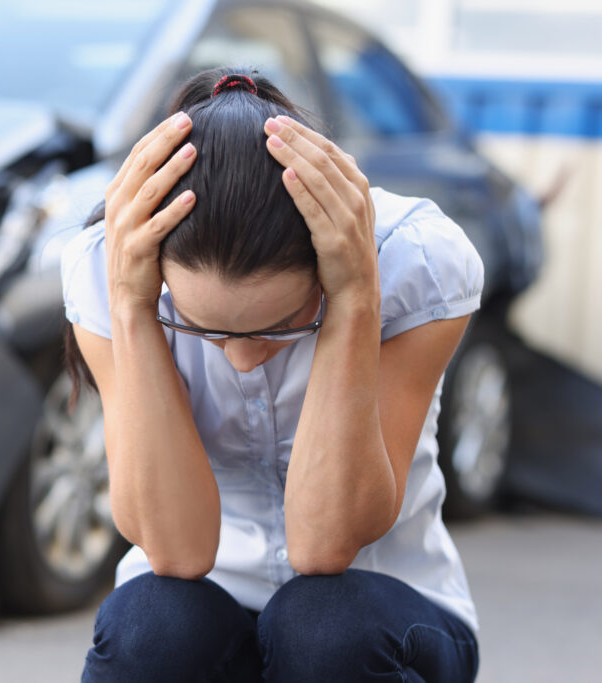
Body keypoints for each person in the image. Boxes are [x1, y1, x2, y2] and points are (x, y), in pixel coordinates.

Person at [60, 67, 482, 682]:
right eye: (203, 329)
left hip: (385, 619)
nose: (242, 357)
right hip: (204, 609)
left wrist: (354, 300)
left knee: (321, 624)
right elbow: (176, 553)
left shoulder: (416, 261)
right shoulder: (111, 268)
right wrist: (132, 308)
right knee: (149, 624)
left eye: (281, 325)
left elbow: (324, 546)